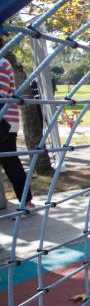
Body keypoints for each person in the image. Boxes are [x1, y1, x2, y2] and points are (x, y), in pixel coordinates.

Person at [0, 40, 34, 211]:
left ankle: (26, 201)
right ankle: (26, 200)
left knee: (10, 163)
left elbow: (0, 93)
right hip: (6, 121)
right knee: (10, 162)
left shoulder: (1, 63)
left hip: (4, 122)